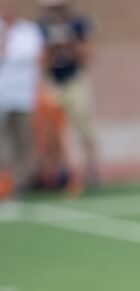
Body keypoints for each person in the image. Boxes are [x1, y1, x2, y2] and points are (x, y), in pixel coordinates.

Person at [37, 0, 98, 186]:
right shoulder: (42, 27)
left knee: (84, 125)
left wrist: (70, 42)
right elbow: (42, 61)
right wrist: (52, 46)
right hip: (54, 81)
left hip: (74, 78)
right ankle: (57, 173)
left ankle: (92, 170)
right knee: (52, 130)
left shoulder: (77, 23)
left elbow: (88, 55)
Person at [0, 0, 43, 202]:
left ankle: (21, 184)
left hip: (23, 96)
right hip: (2, 96)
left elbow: (37, 58)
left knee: (23, 141)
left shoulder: (27, 31)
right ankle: (4, 183)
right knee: (3, 142)